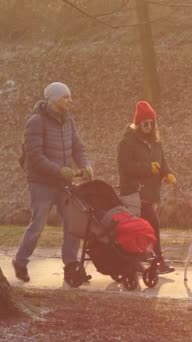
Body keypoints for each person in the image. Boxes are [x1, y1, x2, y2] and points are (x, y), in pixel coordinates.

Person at [13, 82, 93, 282]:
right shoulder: (36, 122)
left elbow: (78, 146)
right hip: (42, 183)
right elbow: (35, 157)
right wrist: (60, 170)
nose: (70, 100)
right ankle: (20, 261)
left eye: (69, 96)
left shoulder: (68, 121)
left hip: (64, 183)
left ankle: (71, 266)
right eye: (66, 97)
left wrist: (86, 165)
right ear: (54, 98)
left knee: (72, 224)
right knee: (38, 225)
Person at [117, 100, 176, 274]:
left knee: (146, 228)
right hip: (134, 192)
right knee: (152, 225)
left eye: (151, 123)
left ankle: (143, 259)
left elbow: (162, 162)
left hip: (151, 193)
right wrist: (147, 167)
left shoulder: (156, 142)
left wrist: (168, 174)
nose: (148, 126)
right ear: (138, 123)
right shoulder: (126, 142)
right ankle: (157, 260)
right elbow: (125, 167)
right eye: (145, 123)